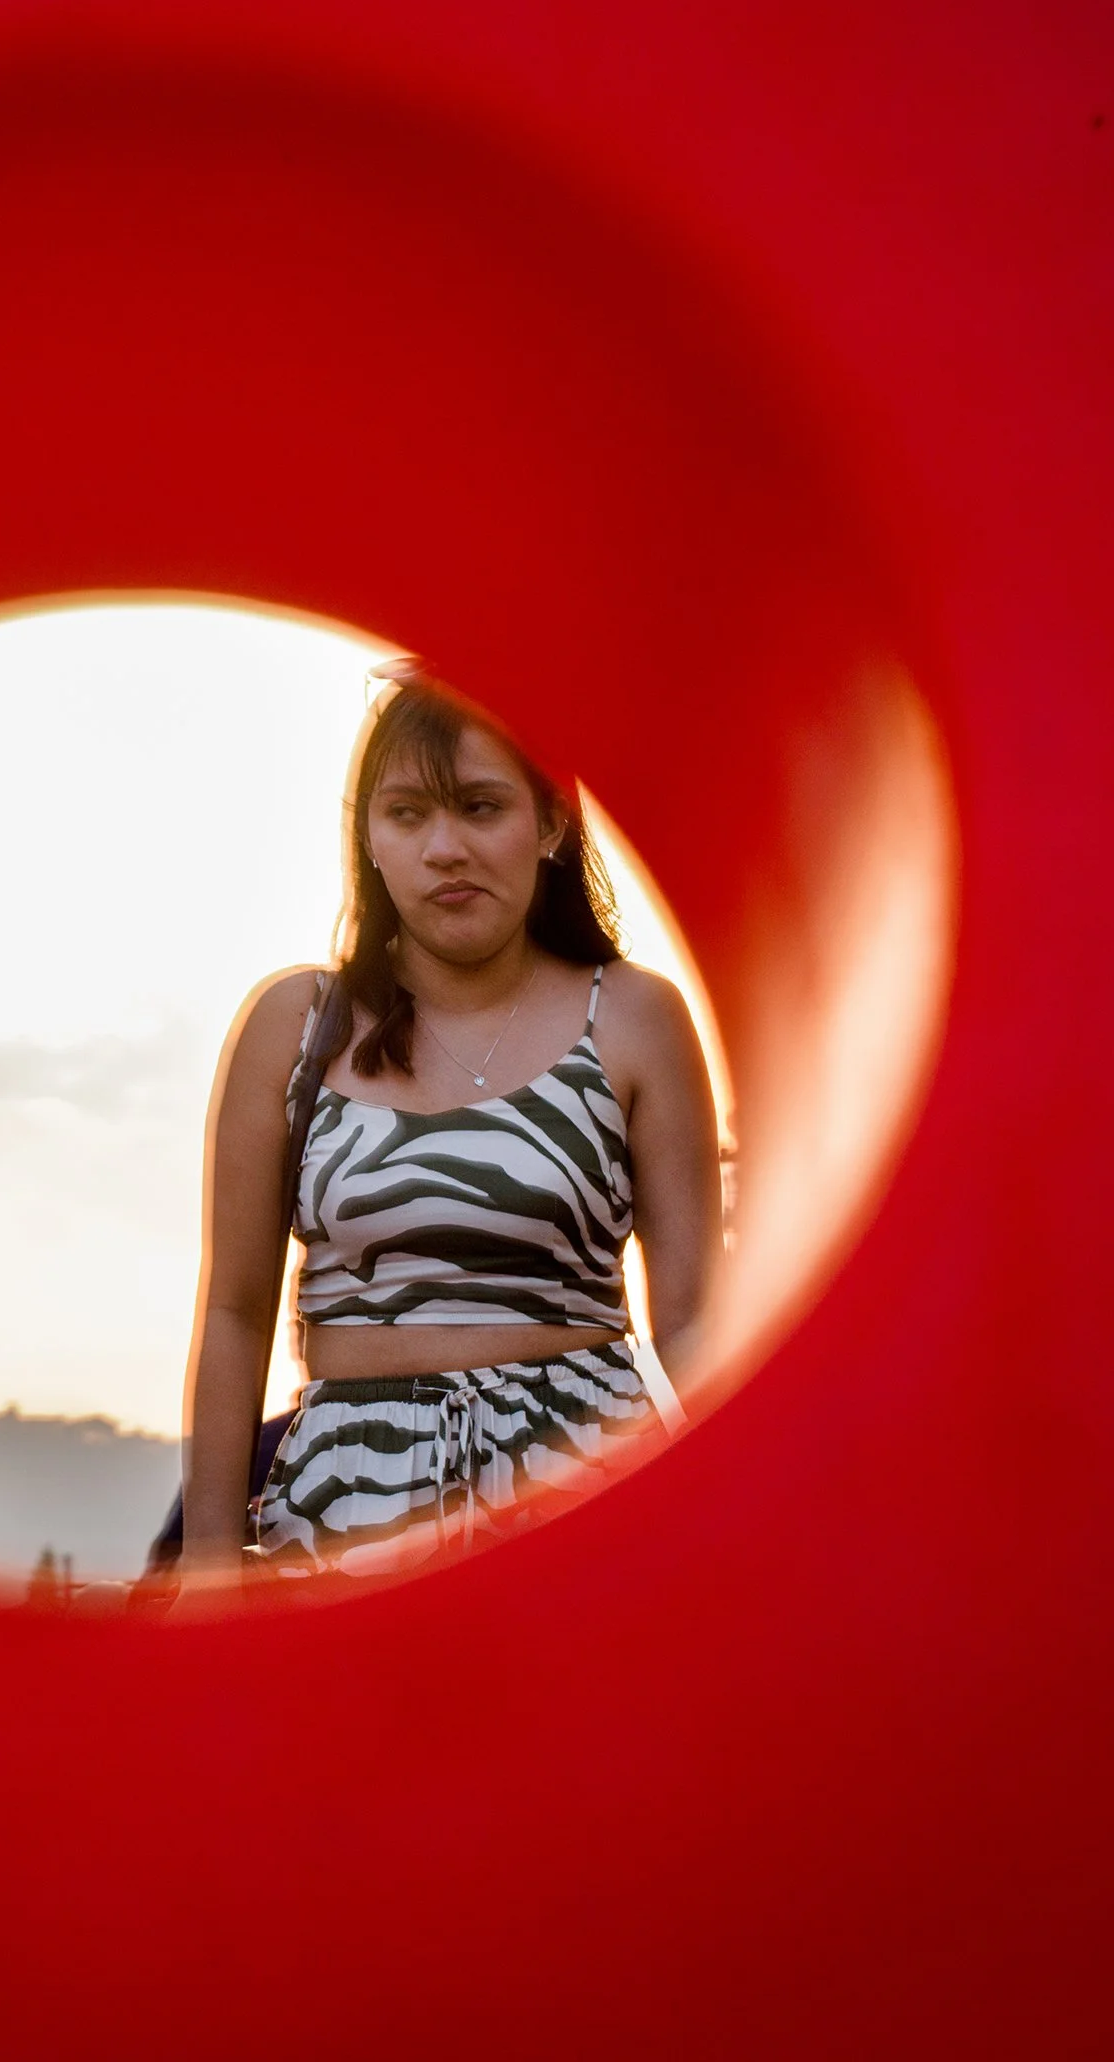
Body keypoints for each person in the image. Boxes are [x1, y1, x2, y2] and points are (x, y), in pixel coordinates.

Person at [180, 671, 722, 1581]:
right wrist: (204, 1562)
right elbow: (235, 1314)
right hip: (348, 1503)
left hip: (591, 1497)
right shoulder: (296, 1022)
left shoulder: (634, 1016)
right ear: (369, 835)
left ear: (550, 824)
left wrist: (737, 1520)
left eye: (480, 808)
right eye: (407, 813)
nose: (445, 848)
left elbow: (700, 1321)